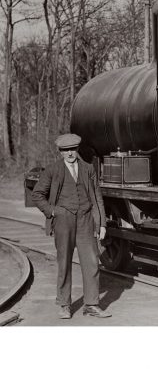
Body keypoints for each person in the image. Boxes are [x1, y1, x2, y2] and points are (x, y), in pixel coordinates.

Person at [31, 133, 111, 319]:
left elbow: (97, 197)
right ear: (60, 152)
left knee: (92, 263)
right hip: (63, 220)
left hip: (85, 220)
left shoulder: (88, 169)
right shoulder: (52, 170)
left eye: (72, 149)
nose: (69, 153)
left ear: (77, 149)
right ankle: (64, 305)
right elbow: (37, 194)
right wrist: (52, 211)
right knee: (64, 263)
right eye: (65, 150)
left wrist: (102, 224)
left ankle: (91, 304)